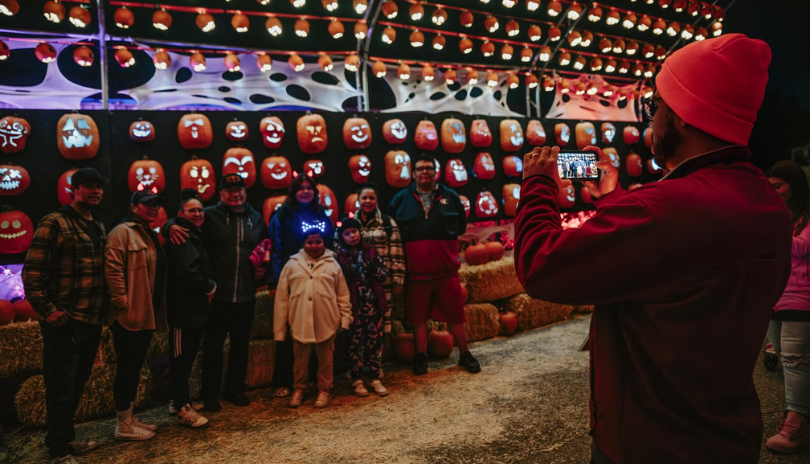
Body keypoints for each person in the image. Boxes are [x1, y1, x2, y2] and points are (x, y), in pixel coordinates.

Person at [513, 34, 792, 464]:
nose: (651, 116)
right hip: (727, 435)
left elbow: (540, 265)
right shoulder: (768, 204)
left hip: (647, 441)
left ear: (682, 115)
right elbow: (676, 262)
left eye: (655, 105)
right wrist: (614, 199)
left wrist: (538, 185)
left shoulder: (661, 211)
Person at [23, 168, 108, 464]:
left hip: (91, 318)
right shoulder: (55, 222)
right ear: (74, 189)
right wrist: (48, 310)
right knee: (60, 385)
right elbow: (32, 271)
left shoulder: (97, 224)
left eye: (98, 186)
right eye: (88, 186)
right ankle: (60, 450)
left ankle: (65, 438)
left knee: (77, 383)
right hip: (65, 320)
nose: (95, 191)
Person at [167, 173, 268, 410]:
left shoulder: (256, 219)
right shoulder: (209, 215)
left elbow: (265, 248)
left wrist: (263, 270)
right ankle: (210, 394)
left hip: (246, 295)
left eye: (239, 189)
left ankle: (235, 389)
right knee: (213, 348)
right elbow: (182, 225)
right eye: (229, 190)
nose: (235, 194)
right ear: (221, 194)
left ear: (245, 192)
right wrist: (168, 225)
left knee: (240, 347)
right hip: (217, 297)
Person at [388, 153, 481, 376]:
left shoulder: (450, 197)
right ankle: (421, 356)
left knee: (456, 315)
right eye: (420, 169)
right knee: (417, 318)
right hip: (415, 272)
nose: (425, 172)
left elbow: (460, 225)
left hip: (445, 269)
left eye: (429, 168)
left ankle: (465, 354)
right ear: (413, 174)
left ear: (435, 172)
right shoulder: (400, 200)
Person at [105, 190, 168, 442]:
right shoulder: (122, 232)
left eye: (156, 206)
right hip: (129, 315)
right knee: (127, 367)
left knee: (134, 366)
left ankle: (129, 418)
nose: (153, 209)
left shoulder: (147, 232)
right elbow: (113, 267)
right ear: (133, 206)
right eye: (147, 205)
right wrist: (123, 303)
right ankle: (122, 425)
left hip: (145, 312)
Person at [268, 174, 334, 398]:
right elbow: (276, 248)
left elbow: (330, 244)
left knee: (318, 328)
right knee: (288, 332)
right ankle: (284, 380)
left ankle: (316, 379)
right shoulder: (282, 215)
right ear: (293, 192)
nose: (305, 191)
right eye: (300, 188)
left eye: (309, 188)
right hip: (292, 275)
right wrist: (276, 281)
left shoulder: (322, 214)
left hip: (318, 276)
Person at [273, 228, 352, 409]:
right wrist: (280, 330)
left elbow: (343, 295)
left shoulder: (333, 264)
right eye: (310, 242)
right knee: (300, 360)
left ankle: (325, 389)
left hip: (326, 322)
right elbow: (282, 299)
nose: (314, 246)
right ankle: (299, 388)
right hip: (299, 323)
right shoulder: (292, 264)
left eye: (318, 242)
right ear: (303, 244)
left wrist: (345, 319)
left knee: (326, 360)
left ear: (324, 243)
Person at [764, 160, 810, 453]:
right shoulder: (784, 215)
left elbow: (801, 248)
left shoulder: (804, 216)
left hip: (801, 298)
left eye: (778, 186)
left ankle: (797, 425)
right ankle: (799, 413)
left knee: (795, 362)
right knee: (786, 360)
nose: (773, 192)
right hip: (776, 299)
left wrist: (771, 226)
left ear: (795, 186)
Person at [164, 189, 215, 429]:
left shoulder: (194, 234)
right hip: (183, 310)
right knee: (181, 360)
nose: (197, 214)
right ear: (180, 214)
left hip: (193, 310)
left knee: (187, 357)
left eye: (199, 210)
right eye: (191, 210)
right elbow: (187, 272)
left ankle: (178, 401)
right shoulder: (182, 236)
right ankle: (183, 409)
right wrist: (208, 286)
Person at [334, 217, 391, 396]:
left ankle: (374, 377)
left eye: (354, 232)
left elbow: (384, 275)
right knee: (355, 344)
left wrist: (374, 269)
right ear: (342, 237)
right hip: (355, 308)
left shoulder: (370, 252)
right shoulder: (340, 256)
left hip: (373, 306)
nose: (352, 236)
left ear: (360, 233)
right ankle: (357, 379)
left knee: (374, 342)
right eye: (347, 233)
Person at [354, 182, 405, 334]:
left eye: (372, 198)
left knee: (381, 322)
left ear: (377, 200)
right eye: (364, 198)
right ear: (358, 200)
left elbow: (397, 253)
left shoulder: (387, 223)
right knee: (360, 322)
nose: (367, 201)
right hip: (358, 282)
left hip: (383, 281)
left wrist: (398, 281)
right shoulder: (350, 224)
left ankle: (379, 355)